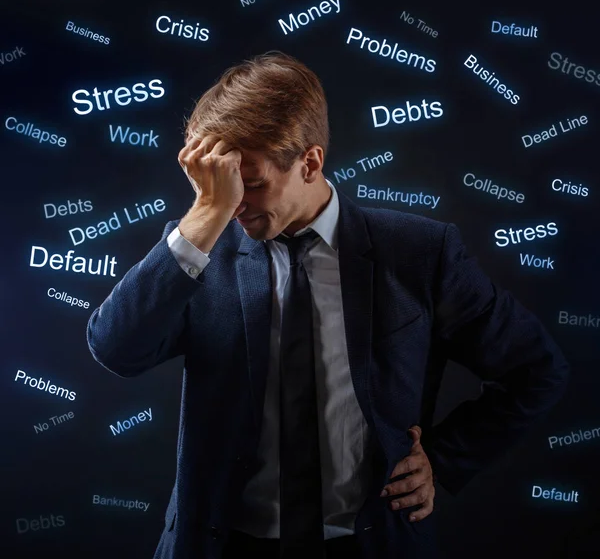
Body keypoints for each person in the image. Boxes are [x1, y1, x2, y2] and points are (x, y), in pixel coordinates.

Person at [86, 51, 570, 559]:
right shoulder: (195, 249)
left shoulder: (420, 251)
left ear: (310, 162)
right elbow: (117, 350)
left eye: (249, 184)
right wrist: (205, 214)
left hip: (371, 544)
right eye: (218, 187)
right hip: (222, 545)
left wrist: (444, 460)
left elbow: (536, 369)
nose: (235, 204)